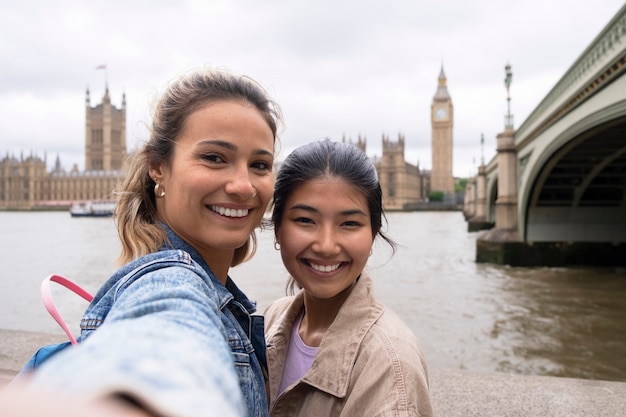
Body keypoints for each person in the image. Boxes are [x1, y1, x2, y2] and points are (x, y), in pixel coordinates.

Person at [2, 68, 282, 417]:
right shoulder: (169, 280)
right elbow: (163, 334)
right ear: (157, 167)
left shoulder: (220, 293)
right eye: (213, 157)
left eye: (259, 164)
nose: (243, 185)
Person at [264, 139, 433, 416]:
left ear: (373, 234)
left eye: (350, 224)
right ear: (277, 229)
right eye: (305, 220)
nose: (327, 245)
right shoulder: (270, 319)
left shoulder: (389, 365)